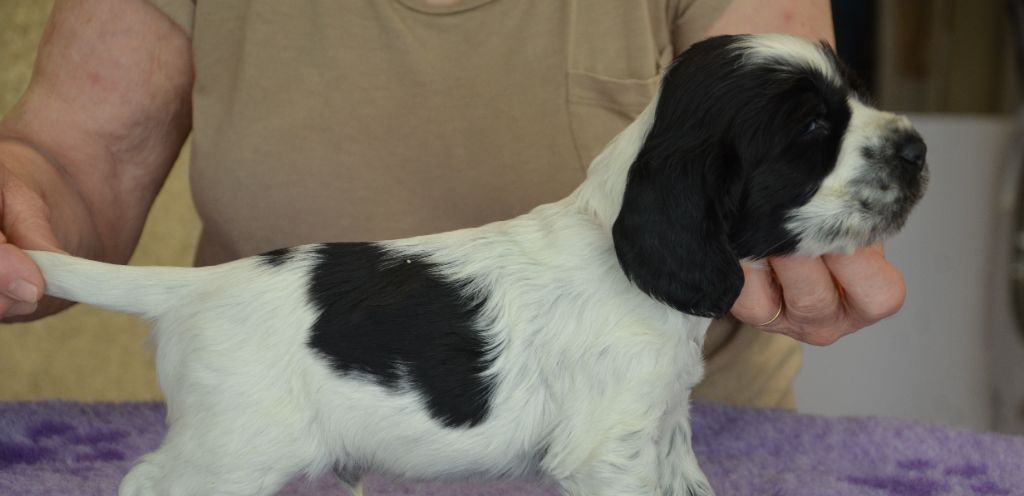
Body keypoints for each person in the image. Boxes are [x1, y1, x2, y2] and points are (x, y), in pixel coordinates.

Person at [0, 0, 906, 408]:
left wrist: (813, 230)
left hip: (665, 435)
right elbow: (70, 162)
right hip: (290, 426)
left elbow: (784, 136)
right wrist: (21, 199)